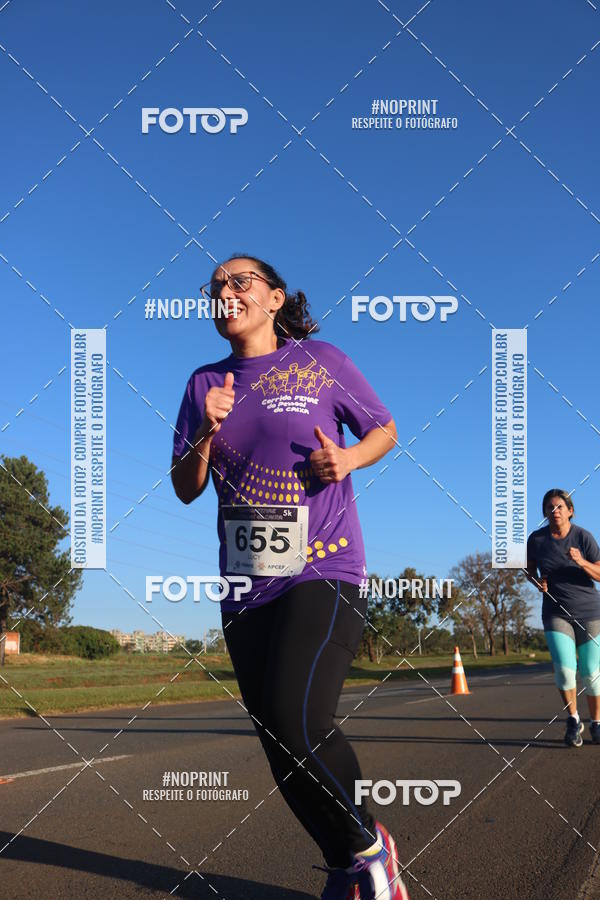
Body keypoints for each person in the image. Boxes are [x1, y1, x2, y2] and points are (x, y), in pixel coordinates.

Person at [171, 254, 409, 899]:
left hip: (322, 565)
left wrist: (349, 456)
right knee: (277, 741)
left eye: (239, 281)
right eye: (214, 286)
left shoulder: (319, 360)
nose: (225, 292)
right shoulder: (203, 384)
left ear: (275, 298)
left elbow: (384, 427)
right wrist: (204, 430)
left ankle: (368, 852)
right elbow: (185, 489)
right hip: (246, 582)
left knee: (297, 717)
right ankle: (344, 860)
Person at [526, 489, 600, 747]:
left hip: (590, 612)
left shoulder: (583, 537)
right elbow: (529, 569)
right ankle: (573, 719)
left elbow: (599, 574)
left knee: (591, 672)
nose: (554, 511)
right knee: (565, 670)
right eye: (549, 507)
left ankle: (597, 722)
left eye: (559, 506)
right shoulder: (536, 539)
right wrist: (538, 582)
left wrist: (582, 562)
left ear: (570, 510)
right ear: (545, 513)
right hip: (556, 612)